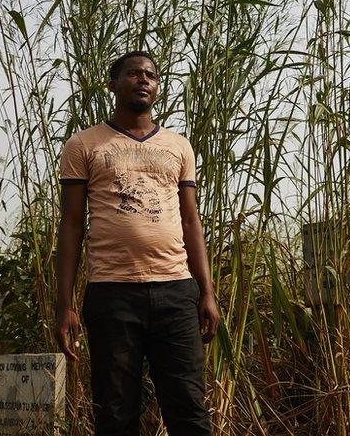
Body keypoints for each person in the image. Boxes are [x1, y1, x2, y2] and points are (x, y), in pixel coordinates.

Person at [55, 50, 220, 435]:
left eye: (151, 75)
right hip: (112, 293)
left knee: (189, 410)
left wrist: (206, 292)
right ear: (114, 84)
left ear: (158, 87)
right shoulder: (84, 145)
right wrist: (64, 305)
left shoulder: (179, 146)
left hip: (176, 292)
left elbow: (191, 220)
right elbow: (72, 224)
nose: (143, 79)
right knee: (115, 414)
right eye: (133, 73)